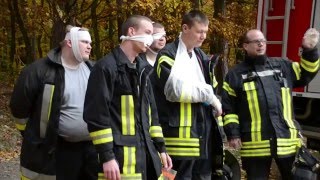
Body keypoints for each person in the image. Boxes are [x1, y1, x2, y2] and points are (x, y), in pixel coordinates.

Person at [221, 28, 320, 180]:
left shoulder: (282, 66)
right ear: (245, 46)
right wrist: (233, 134)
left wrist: (310, 49)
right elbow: (229, 108)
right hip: (255, 146)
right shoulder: (235, 75)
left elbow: (307, 73)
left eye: (263, 40)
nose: (260, 44)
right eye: (256, 41)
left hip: (286, 141)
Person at [83, 15, 172, 180]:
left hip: (147, 159)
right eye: (147, 32)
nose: (151, 38)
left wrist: (161, 149)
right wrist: (107, 157)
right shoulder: (105, 68)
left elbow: (152, 116)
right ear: (131, 32)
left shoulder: (143, 70)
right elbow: (96, 117)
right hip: (119, 162)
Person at [10, 25, 98, 180]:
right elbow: (19, 108)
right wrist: (35, 135)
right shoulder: (38, 71)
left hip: (92, 150)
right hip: (57, 150)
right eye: (85, 42)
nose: (90, 46)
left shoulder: (94, 70)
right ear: (70, 42)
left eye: (90, 42)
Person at [152, 10, 223, 180]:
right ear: (185, 28)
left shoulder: (201, 57)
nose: (203, 36)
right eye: (199, 31)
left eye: (205, 32)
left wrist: (211, 97)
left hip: (202, 139)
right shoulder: (167, 55)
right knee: (170, 178)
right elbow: (175, 91)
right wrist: (210, 97)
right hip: (176, 142)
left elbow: (211, 88)